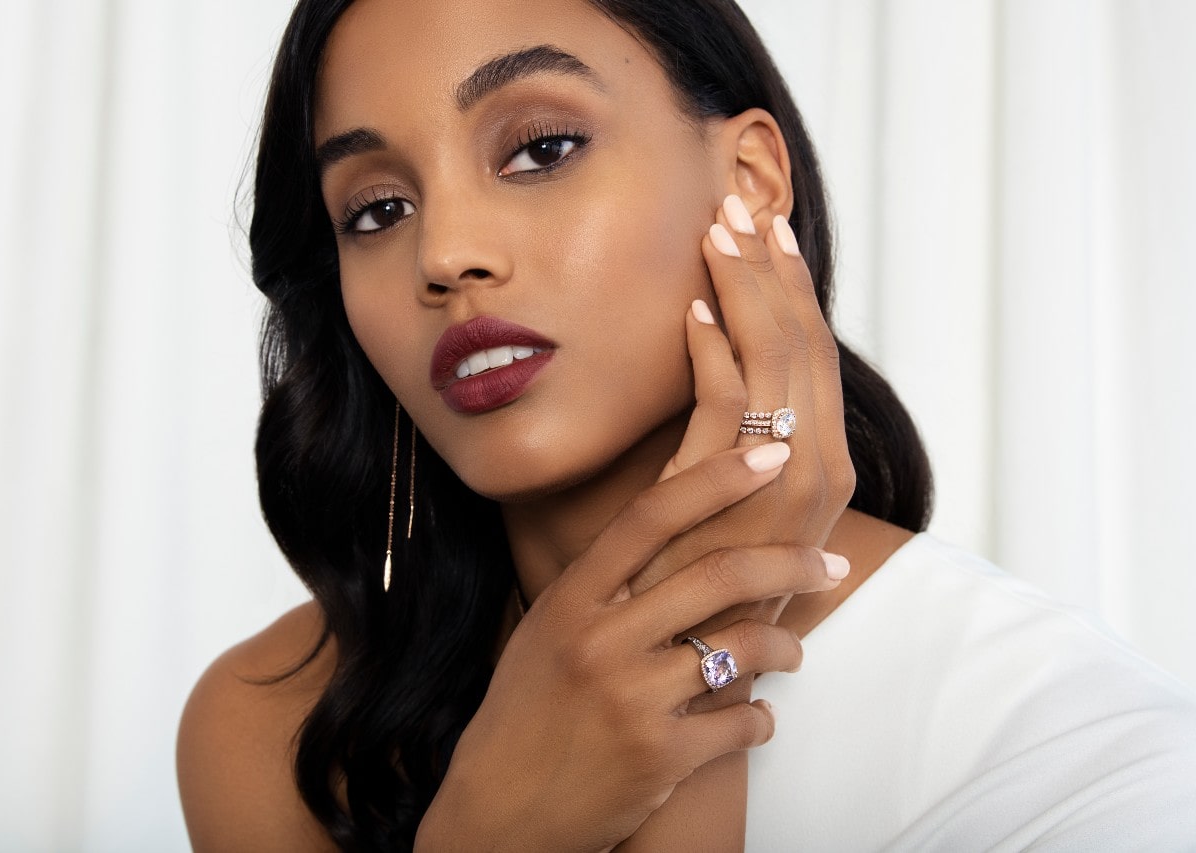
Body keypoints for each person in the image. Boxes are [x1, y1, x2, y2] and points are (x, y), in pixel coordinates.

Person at [175, 0, 1196, 849]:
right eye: (377, 210)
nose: (444, 251)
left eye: (539, 148)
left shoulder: (1065, 745)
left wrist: (694, 661)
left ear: (748, 182)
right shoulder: (278, 725)